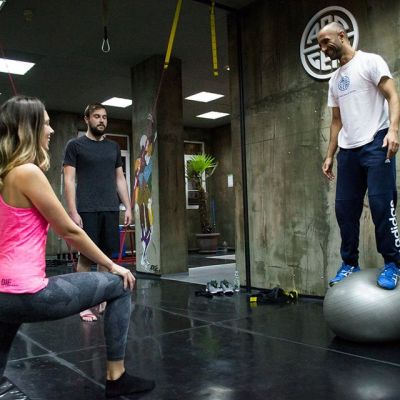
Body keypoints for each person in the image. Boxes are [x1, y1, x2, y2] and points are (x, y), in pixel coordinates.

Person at [0, 96, 155, 397]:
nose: (50, 130)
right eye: (46, 124)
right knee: (121, 285)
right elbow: (68, 230)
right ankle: (117, 376)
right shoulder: (27, 172)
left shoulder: (5, 173)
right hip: (26, 293)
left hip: (3, 294)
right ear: (28, 127)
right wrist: (112, 265)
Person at [318, 22, 400, 289]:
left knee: (381, 206)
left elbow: (393, 96)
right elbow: (336, 121)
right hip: (348, 150)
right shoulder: (334, 80)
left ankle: (393, 263)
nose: (323, 49)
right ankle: (349, 263)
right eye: (319, 45)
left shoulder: (370, 62)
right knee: (345, 209)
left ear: (342, 36)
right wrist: (329, 155)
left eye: (326, 42)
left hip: (376, 141)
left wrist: (393, 130)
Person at [63, 103, 132, 321]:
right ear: (87, 119)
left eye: (104, 117)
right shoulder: (75, 146)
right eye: (96, 116)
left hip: (110, 208)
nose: (101, 120)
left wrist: (128, 206)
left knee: (105, 257)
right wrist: (73, 211)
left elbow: (119, 179)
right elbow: (69, 179)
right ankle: (82, 304)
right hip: (87, 209)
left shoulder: (113, 147)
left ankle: (101, 299)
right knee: (86, 257)